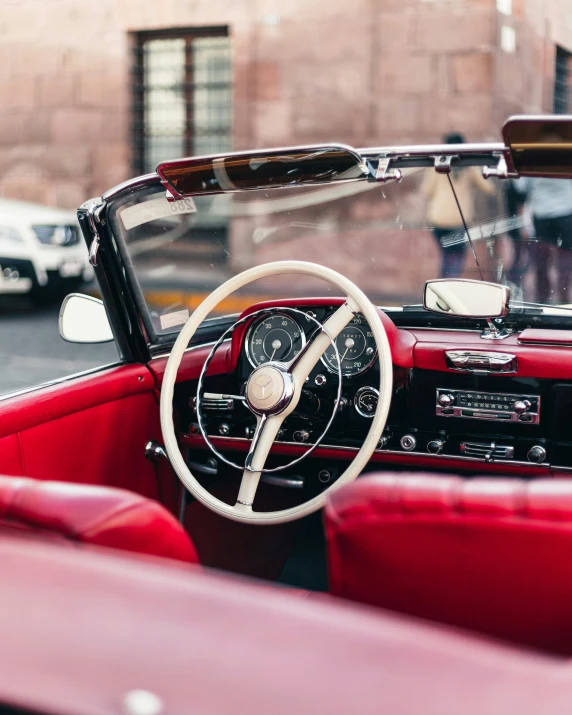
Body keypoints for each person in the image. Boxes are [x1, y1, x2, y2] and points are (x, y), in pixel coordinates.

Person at [422, 132, 494, 278]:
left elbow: (426, 191)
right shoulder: (468, 167)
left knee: (446, 257)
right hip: (458, 221)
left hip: (438, 219)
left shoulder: (437, 165)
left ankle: (441, 288)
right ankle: (449, 289)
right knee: (455, 259)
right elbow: (489, 188)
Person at [515, 178, 572, 304]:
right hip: (565, 211)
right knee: (564, 260)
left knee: (542, 260)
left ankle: (543, 299)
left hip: (542, 213)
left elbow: (521, 186)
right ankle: (563, 300)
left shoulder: (533, 158)